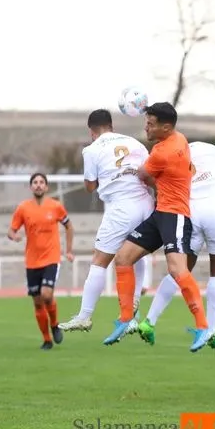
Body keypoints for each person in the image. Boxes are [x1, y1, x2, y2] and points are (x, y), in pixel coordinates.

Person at [102, 102, 211, 352]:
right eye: (146, 122)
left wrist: (137, 168)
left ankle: (203, 327)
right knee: (123, 258)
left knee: (177, 269)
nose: (146, 127)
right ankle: (126, 319)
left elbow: (142, 173)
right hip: (160, 212)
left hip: (175, 215)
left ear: (166, 127)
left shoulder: (163, 152)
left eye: (151, 124)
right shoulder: (179, 138)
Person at [138, 140, 215, 351]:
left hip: (190, 210)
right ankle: (211, 331)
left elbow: (153, 180)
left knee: (180, 270)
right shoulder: (207, 147)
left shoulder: (170, 155)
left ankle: (149, 321)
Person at [58, 109, 152, 333]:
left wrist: (106, 177)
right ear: (112, 126)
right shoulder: (135, 143)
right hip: (147, 203)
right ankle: (131, 317)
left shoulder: (92, 150)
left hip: (121, 207)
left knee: (100, 260)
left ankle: (84, 316)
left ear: (92, 131)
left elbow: (90, 186)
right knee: (135, 255)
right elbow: (150, 172)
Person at [8, 173, 75, 350]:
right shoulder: (23, 208)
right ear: (31, 187)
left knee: (46, 295)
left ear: (46, 187)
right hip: (31, 261)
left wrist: (68, 250)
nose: (38, 185)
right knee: (37, 302)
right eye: (35, 183)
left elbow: (69, 226)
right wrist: (14, 237)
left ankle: (54, 324)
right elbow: (11, 230)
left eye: (41, 182)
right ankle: (47, 340)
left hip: (51, 258)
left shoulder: (55, 206)